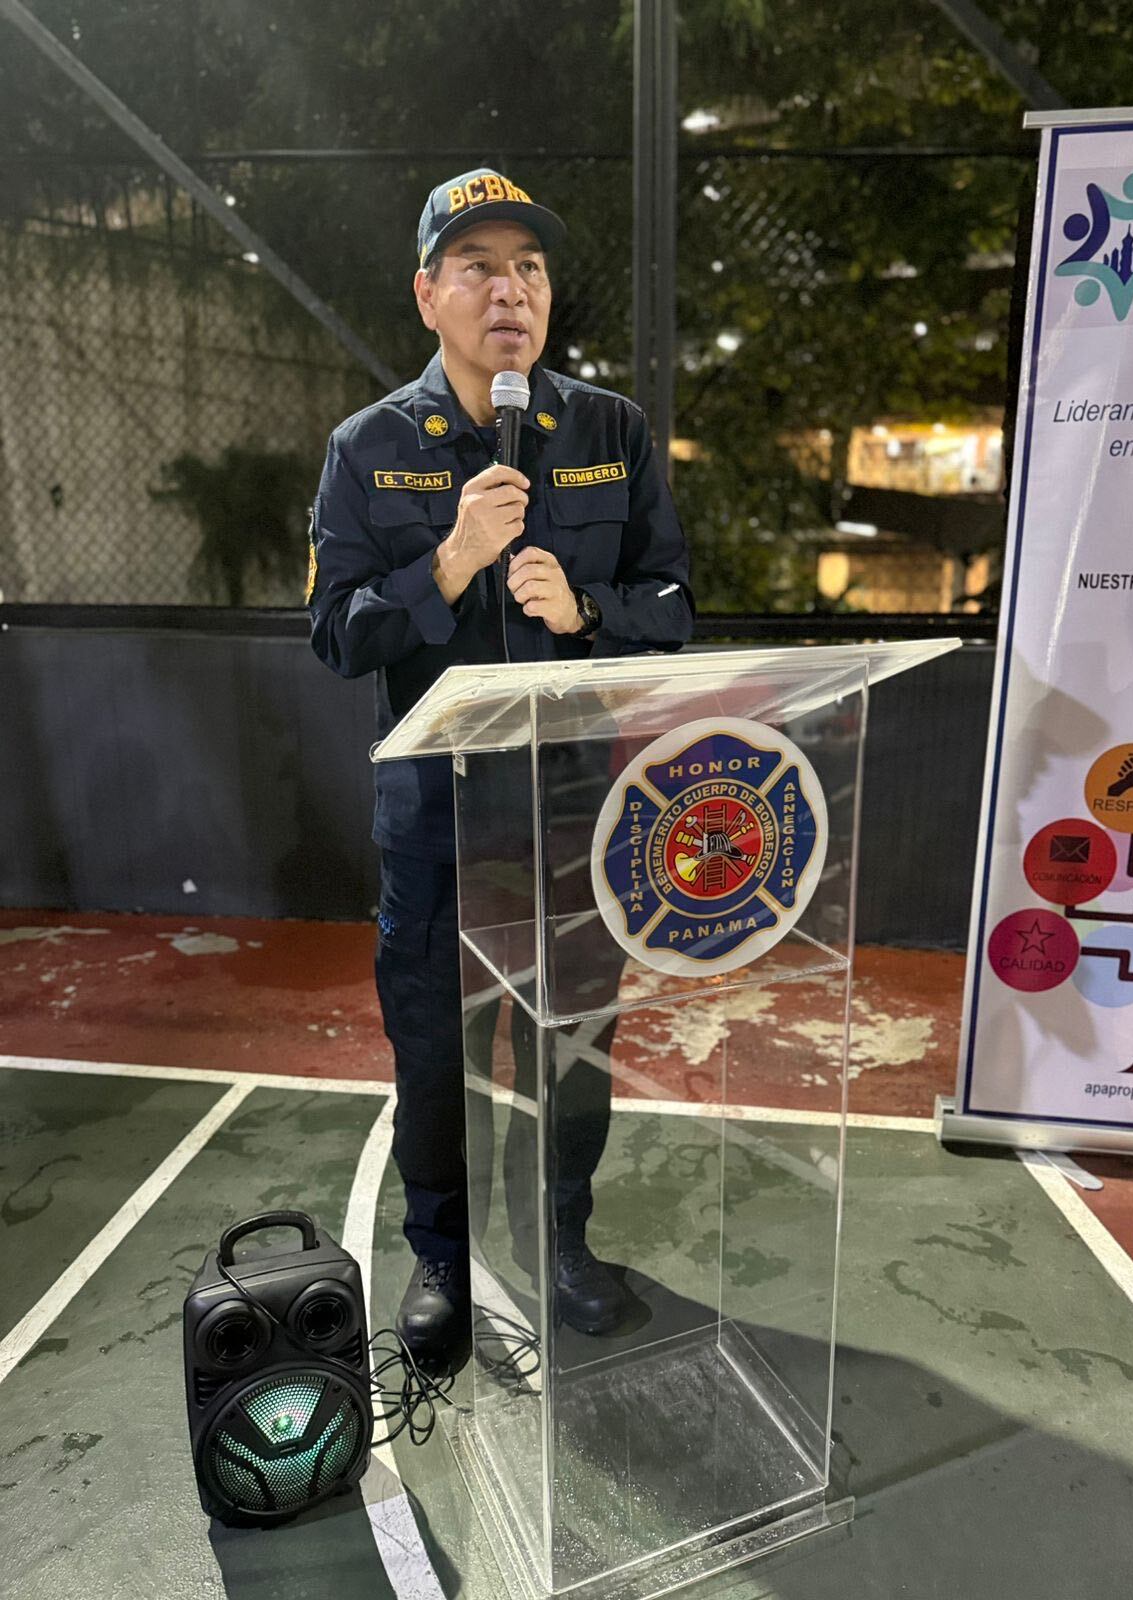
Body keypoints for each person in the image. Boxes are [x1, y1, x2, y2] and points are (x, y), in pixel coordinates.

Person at [308, 168, 693, 1367]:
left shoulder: (610, 431)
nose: (509, 290)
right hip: (436, 821)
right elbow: (336, 634)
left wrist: (587, 608)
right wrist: (454, 565)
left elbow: (675, 607)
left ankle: (562, 1236)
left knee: (574, 1044)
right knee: (441, 1048)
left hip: (580, 811)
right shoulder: (368, 450)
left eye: (527, 266)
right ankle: (443, 1252)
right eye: (478, 265)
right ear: (428, 293)